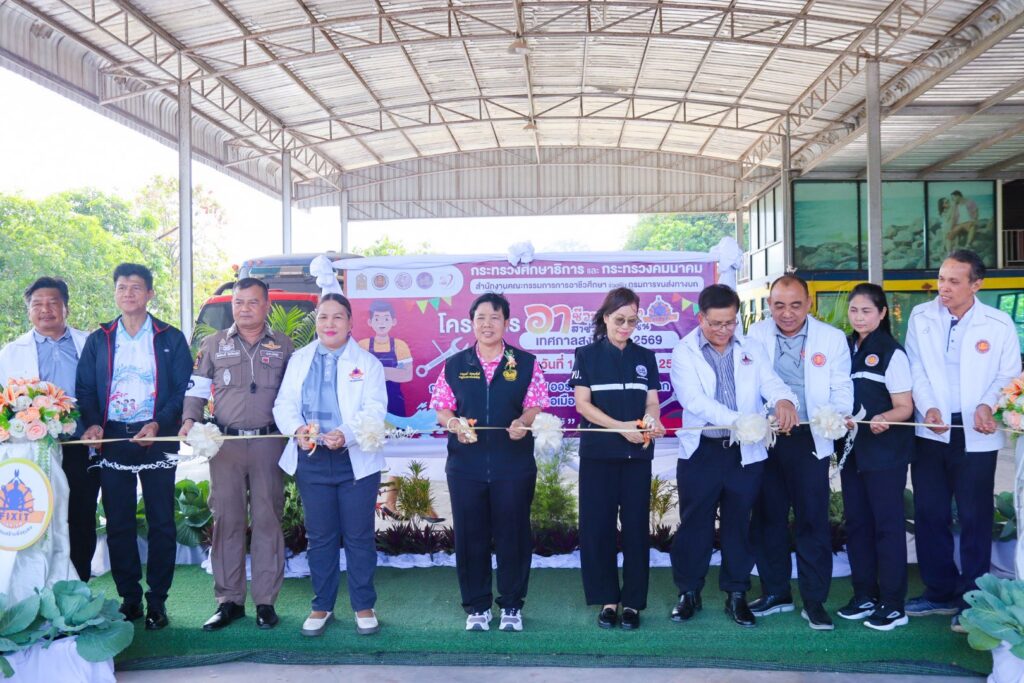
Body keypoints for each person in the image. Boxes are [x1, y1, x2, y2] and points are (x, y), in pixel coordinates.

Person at [904, 249, 1021, 632]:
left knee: (975, 515)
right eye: (941, 279)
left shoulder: (998, 323)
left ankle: (972, 596)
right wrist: (929, 408)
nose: (944, 287)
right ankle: (938, 591)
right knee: (930, 511)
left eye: (954, 281)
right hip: (932, 428)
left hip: (977, 431)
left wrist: (987, 405)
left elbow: (1008, 374)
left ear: (976, 284)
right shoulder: (921, 316)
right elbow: (915, 367)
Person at [669, 284, 798, 628]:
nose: (723, 330)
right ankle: (688, 592)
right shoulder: (684, 352)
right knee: (694, 524)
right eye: (716, 323)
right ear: (701, 318)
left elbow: (770, 383)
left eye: (730, 322)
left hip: (744, 454)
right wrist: (739, 420)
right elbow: (694, 401)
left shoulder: (751, 347)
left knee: (739, 524)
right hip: (702, 452)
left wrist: (785, 400)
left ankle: (737, 593)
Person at [75, 263, 191, 630]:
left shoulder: (170, 337)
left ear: (150, 293)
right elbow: (85, 389)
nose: (128, 293)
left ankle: (157, 601)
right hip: (113, 439)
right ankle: (130, 598)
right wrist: (92, 423)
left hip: (157, 437)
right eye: (122, 287)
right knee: (119, 522)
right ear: (115, 293)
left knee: (162, 521)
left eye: (136, 287)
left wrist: (159, 423)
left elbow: (182, 388)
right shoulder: (100, 339)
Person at [430, 292, 549, 632]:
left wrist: (523, 422)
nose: (487, 324)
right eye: (480, 318)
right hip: (465, 466)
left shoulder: (525, 363)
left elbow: (534, 404)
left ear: (506, 323)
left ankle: (511, 605)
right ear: (471, 323)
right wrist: (455, 423)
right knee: (471, 537)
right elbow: (442, 408)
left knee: (513, 535)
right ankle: (477, 606)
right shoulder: (456, 364)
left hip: (513, 465)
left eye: (495, 318)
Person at [182, 278, 295, 631]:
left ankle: (265, 602)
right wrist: (189, 420)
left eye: (252, 302)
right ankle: (228, 601)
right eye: (238, 302)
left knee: (267, 520)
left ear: (266, 305)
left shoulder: (284, 345)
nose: (244, 308)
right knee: (227, 521)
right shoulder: (214, 344)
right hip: (225, 445)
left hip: (268, 443)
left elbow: (295, 393)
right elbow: (197, 388)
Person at [273, 293, 387, 637]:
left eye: (338, 317)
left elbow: (374, 410)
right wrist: (297, 430)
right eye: (323, 317)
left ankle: (364, 605)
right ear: (316, 322)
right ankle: (322, 605)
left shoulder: (367, 363)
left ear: (351, 323)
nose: (330, 324)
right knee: (320, 537)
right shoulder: (300, 359)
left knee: (359, 536)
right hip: (312, 459)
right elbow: (284, 403)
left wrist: (346, 433)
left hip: (355, 461)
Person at [746, 274, 853, 631]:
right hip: (767, 437)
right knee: (768, 517)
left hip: (811, 438)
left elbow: (842, 389)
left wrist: (831, 418)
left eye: (795, 305)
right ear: (769, 305)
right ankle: (776, 592)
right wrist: (770, 413)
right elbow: (751, 386)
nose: (787, 313)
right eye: (779, 305)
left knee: (812, 519)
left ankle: (814, 600)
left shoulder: (831, 338)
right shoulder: (755, 335)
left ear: (809, 304)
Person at [571, 287, 665, 630]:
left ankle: (634, 603)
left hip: (637, 455)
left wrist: (651, 420)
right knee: (598, 528)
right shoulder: (586, 355)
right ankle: (608, 600)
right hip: (598, 456)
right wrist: (621, 428)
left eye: (632, 321)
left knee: (637, 529)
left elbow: (652, 402)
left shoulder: (645, 356)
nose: (626, 327)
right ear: (606, 317)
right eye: (619, 319)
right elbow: (583, 405)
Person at [0, 277, 91, 587]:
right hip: (33, 450)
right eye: (37, 304)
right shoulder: (10, 353)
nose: (45, 310)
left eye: (53, 303)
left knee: (81, 515)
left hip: (80, 445)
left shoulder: (89, 345)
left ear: (66, 307)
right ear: (28, 311)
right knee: (36, 515)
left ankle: (79, 586)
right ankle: (31, 586)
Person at [838, 283, 915, 631]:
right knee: (857, 524)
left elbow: (904, 406)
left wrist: (885, 418)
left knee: (887, 527)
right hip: (853, 452)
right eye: (854, 310)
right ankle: (865, 595)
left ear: (882, 313)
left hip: (885, 454)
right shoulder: (845, 347)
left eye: (867, 311)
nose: (859, 317)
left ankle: (893, 604)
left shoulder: (891, 352)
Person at [358, 300, 441, 522]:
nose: (381, 322)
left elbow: (406, 375)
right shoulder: (362, 345)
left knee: (405, 452)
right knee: (371, 454)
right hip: (369, 407)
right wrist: (389, 371)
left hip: (395, 405)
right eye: (377, 318)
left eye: (386, 318)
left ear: (393, 321)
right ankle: (387, 503)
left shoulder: (400, 345)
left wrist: (376, 370)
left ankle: (413, 503)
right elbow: (357, 376)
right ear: (370, 322)